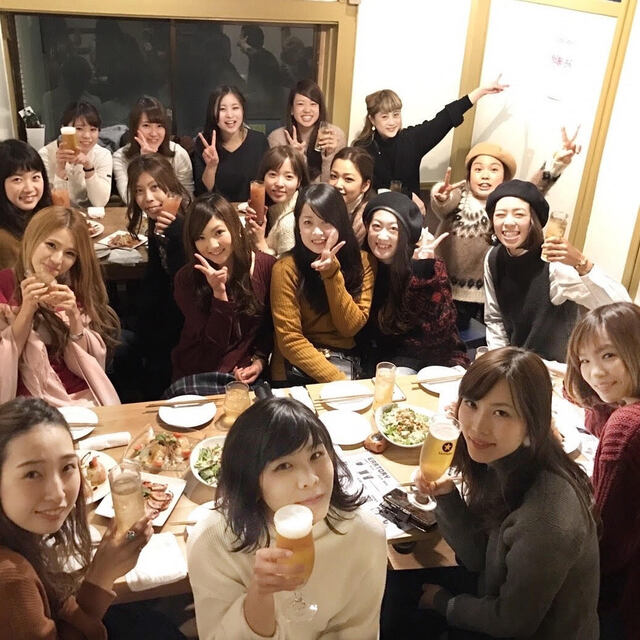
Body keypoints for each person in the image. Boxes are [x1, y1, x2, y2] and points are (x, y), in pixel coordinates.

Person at [381, 346, 599, 639]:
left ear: (532, 425)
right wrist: (446, 495)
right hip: (490, 591)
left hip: (530, 630)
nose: (477, 426)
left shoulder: (548, 519)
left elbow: (512, 623)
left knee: (394, 611)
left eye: (501, 412)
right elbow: (479, 558)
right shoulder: (503, 461)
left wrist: (443, 603)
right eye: (472, 403)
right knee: (385, 591)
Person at [187, 397, 387, 639]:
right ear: (250, 480)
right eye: (283, 466)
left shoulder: (365, 535)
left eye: (316, 455)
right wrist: (260, 594)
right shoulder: (213, 542)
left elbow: (359, 631)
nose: (310, 479)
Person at [0, 397, 153, 639]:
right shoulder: (10, 582)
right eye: (32, 474)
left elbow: (60, 609)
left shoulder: (24, 535)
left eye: (67, 467)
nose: (58, 494)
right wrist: (102, 575)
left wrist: (104, 568)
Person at [431, 128, 581, 328]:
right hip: (448, 287)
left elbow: (533, 188)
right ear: (468, 175)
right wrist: (441, 195)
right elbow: (443, 203)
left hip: (487, 291)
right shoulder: (458, 195)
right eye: (478, 169)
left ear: (504, 178)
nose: (485, 175)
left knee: (486, 334)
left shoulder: (506, 204)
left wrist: (555, 164)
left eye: (494, 170)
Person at [483, 179, 630, 362]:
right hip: (517, 365)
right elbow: (494, 318)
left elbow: (621, 308)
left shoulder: (554, 262)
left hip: (557, 368)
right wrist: (500, 361)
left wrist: (582, 264)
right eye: (500, 215)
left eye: (519, 214)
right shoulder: (493, 258)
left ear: (534, 220)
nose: (508, 222)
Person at [565, 302, 640, 640]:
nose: (594, 373)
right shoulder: (626, 412)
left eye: (608, 355)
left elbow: (604, 540)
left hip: (619, 601)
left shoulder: (626, 428)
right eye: (584, 360)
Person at [0, 206, 120, 406]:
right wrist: (27, 310)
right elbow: (7, 359)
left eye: (70, 253)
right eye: (51, 245)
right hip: (28, 397)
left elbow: (87, 364)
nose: (57, 260)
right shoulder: (4, 284)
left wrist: (74, 316)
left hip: (81, 393)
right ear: (32, 237)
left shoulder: (73, 286)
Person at [352, 76, 508, 213]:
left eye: (396, 115)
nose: (392, 122)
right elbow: (369, 188)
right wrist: (408, 195)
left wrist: (480, 91)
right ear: (372, 120)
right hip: (376, 211)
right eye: (385, 117)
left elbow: (444, 119)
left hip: (409, 213)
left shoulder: (411, 139)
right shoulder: (363, 148)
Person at [270, 183, 375, 383]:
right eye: (307, 222)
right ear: (298, 226)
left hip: (346, 362)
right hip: (295, 371)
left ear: (341, 223)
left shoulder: (363, 262)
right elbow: (290, 340)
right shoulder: (285, 268)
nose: (317, 232)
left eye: (326, 222)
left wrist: (331, 273)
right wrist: (340, 382)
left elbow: (349, 327)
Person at [170, 193, 275, 385]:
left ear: (236, 228)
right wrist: (219, 295)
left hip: (247, 369)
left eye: (218, 232)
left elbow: (270, 325)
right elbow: (212, 348)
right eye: (200, 237)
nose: (212, 245)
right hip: (200, 371)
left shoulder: (265, 266)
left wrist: (259, 361)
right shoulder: (186, 279)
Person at [358, 191, 469, 374]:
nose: (382, 236)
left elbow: (439, 331)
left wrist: (422, 273)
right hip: (391, 357)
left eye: (393, 229)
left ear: (407, 233)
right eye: (376, 226)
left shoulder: (428, 265)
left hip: (438, 355)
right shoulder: (364, 265)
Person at [126, 154, 190, 399]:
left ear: (170, 188)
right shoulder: (159, 223)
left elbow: (183, 284)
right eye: (139, 190)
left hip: (188, 319)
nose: (148, 198)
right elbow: (155, 277)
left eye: (155, 187)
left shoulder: (184, 225)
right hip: (166, 310)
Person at [193, 86, 268, 201]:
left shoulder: (259, 141)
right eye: (222, 109)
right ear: (213, 113)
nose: (229, 115)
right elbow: (202, 193)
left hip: (252, 210)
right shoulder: (204, 144)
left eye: (235, 108)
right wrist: (211, 167)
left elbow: (267, 182)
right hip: (217, 211)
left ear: (243, 110)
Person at [113, 96, 194, 203]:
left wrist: (155, 162)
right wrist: (145, 162)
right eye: (146, 125)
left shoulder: (178, 154)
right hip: (140, 213)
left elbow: (187, 198)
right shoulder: (120, 157)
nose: (154, 133)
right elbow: (128, 199)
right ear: (134, 129)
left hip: (173, 212)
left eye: (159, 126)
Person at [268, 79, 346, 183]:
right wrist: (296, 159)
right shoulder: (278, 138)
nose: (307, 110)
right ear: (292, 109)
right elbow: (281, 183)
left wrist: (329, 155)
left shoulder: (334, 135)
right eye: (300, 104)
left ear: (320, 109)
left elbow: (331, 186)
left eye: (313, 104)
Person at [38, 101, 112, 209]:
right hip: (57, 215)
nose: (87, 136)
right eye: (79, 129)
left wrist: (89, 168)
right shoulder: (45, 154)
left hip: (90, 216)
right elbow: (49, 204)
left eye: (93, 130)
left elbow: (99, 203)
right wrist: (60, 171)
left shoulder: (103, 155)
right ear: (64, 129)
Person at [245, 145, 309, 258]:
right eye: (273, 175)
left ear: (299, 182)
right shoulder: (269, 209)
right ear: (263, 178)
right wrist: (251, 230)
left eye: (288, 177)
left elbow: (285, 267)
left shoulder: (289, 223)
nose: (279, 183)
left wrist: (260, 242)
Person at [0, 140, 52, 270]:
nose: (29, 188)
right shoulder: (4, 238)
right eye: (17, 179)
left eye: (35, 177)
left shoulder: (42, 215)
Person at [328, 146, 374, 244]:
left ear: (365, 185)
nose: (338, 185)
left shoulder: (368, 219)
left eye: (348, 179)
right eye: (334, 176)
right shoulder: (325, 204)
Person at [237, 24, 283, 120]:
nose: (238, 42)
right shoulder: (263, 57)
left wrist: (240, 97)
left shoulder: (261, 59)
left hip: (264, 114)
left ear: (246, 39)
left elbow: (261, 93)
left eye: (240, 37)